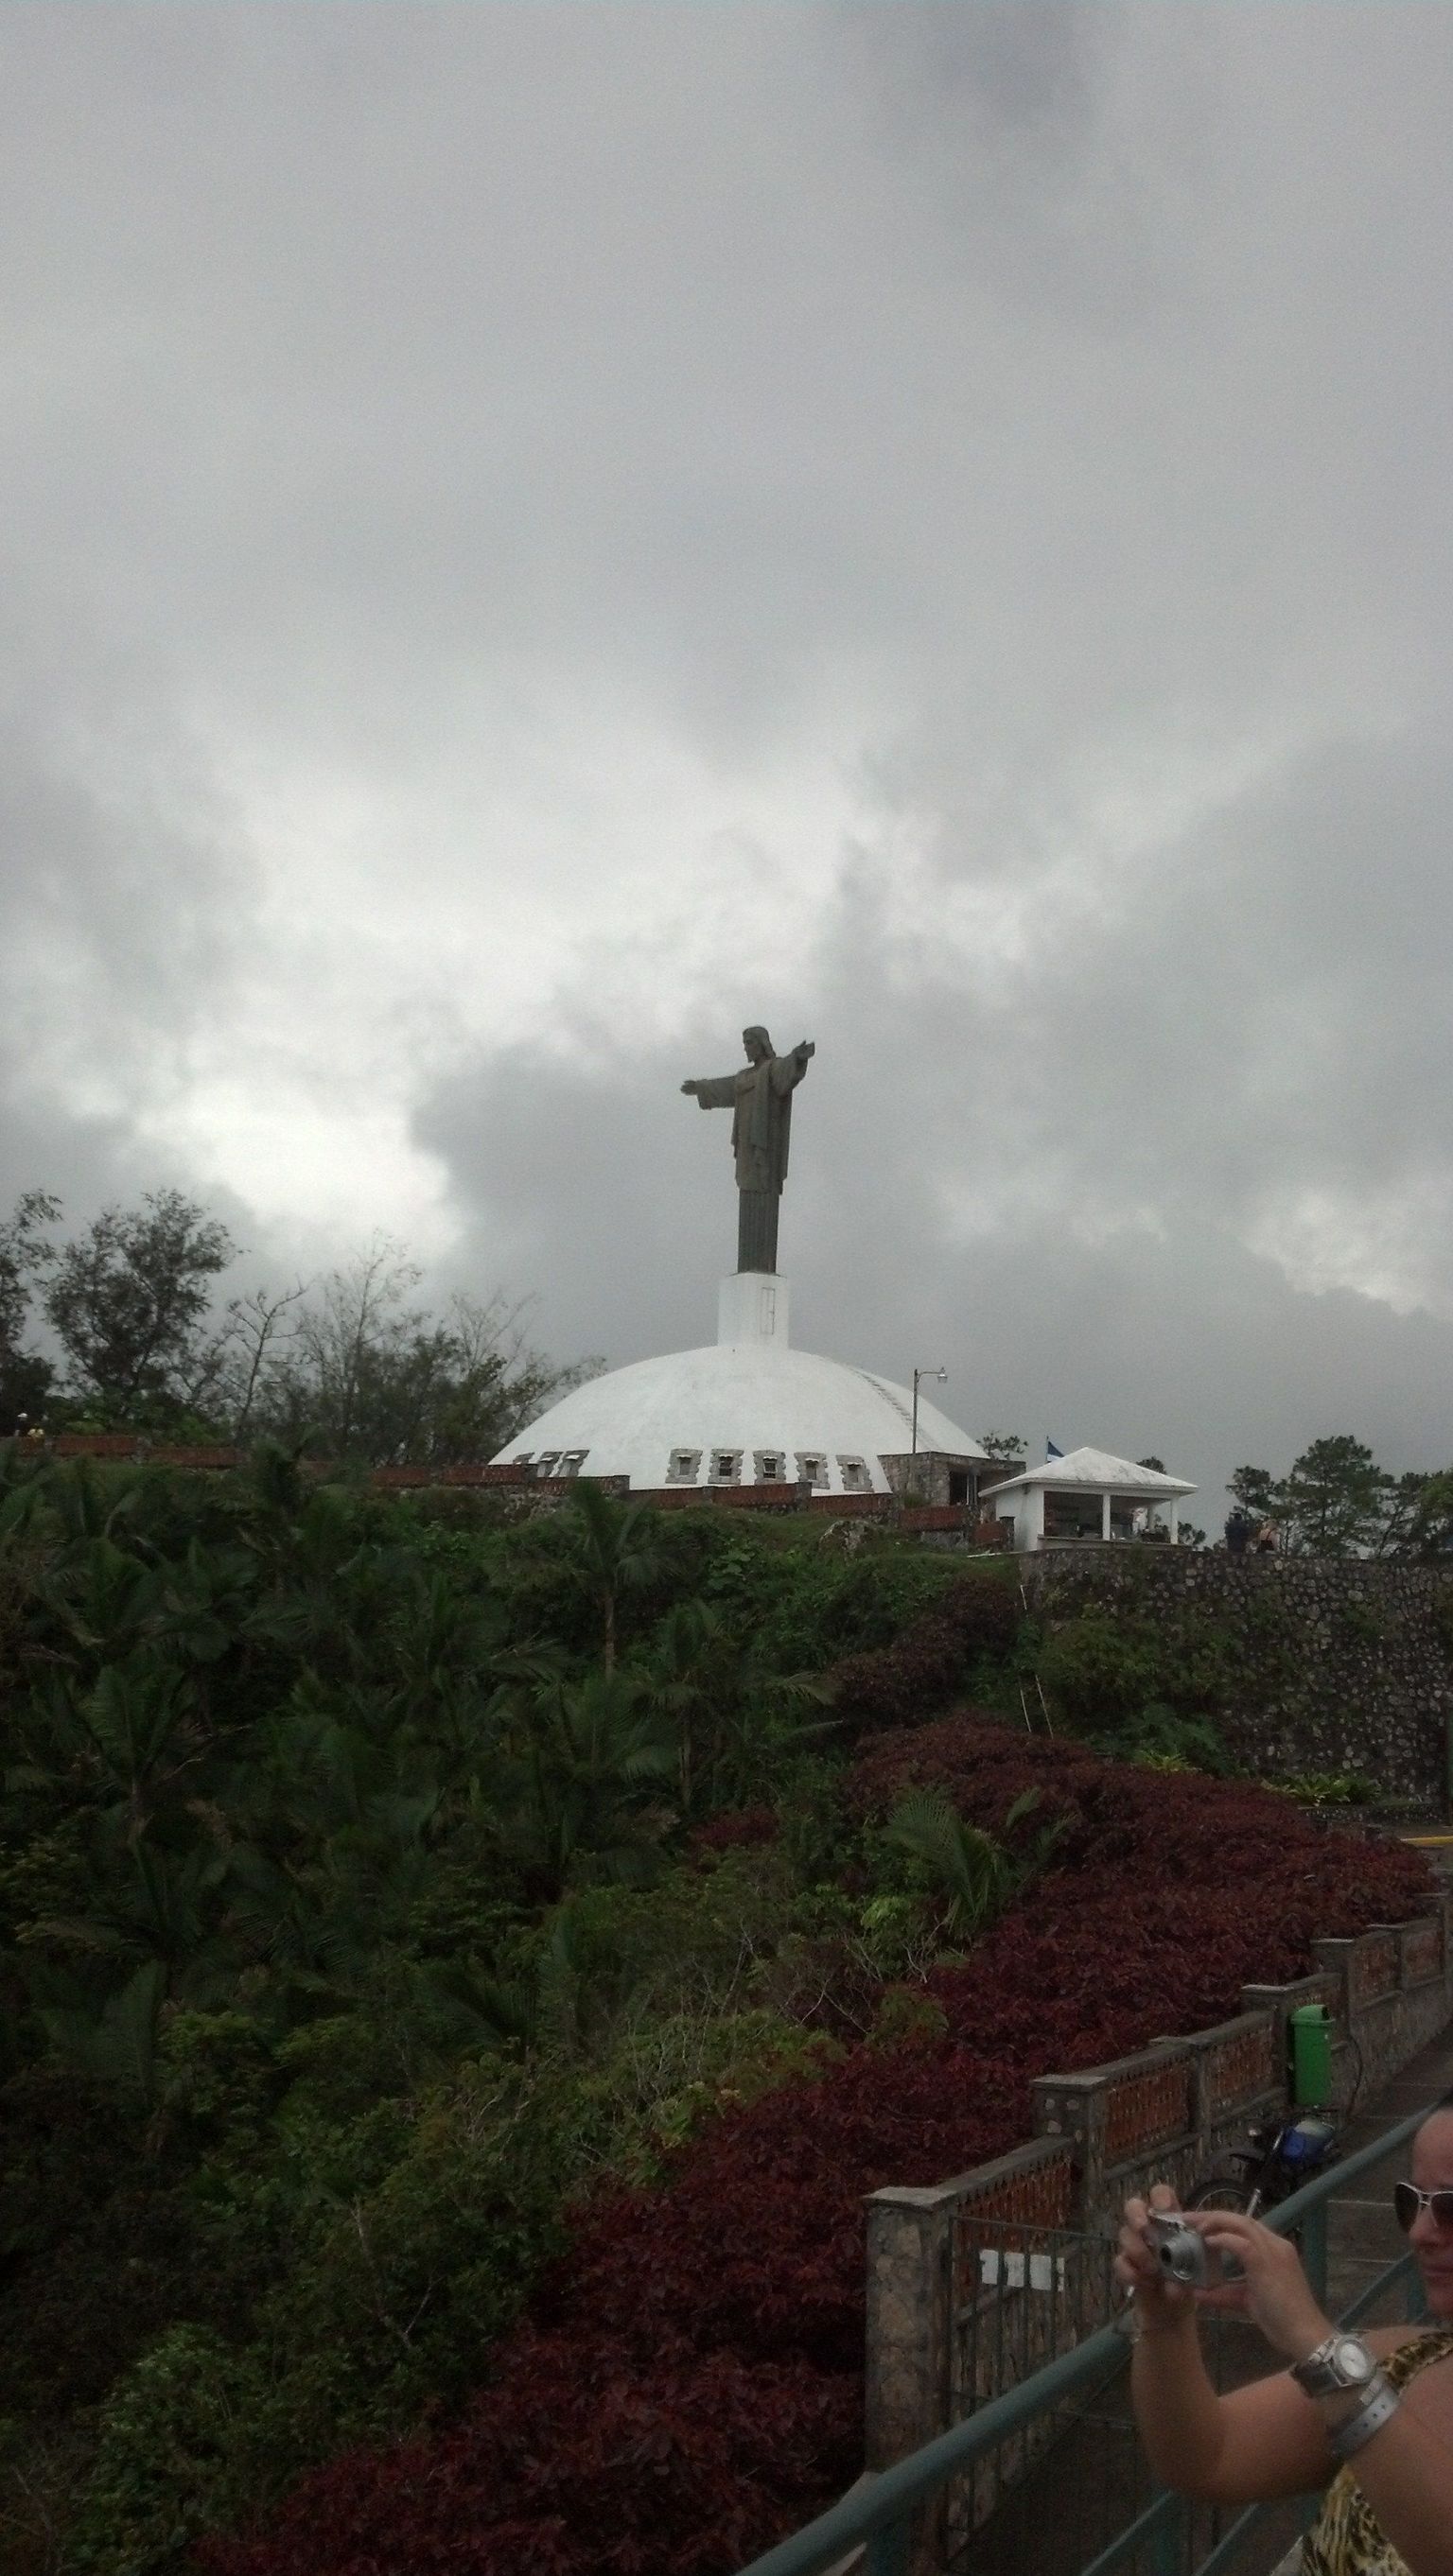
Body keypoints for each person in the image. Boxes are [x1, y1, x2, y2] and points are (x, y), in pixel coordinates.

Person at [1117, 2098, 1453, 2576]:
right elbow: (1206, 2457)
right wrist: (1165, 2319)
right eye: (1411, 2201)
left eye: (1450, 2207)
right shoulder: (1402, 2363)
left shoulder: (1362, 2378)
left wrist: (1318, 2343)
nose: (1420, 2231)